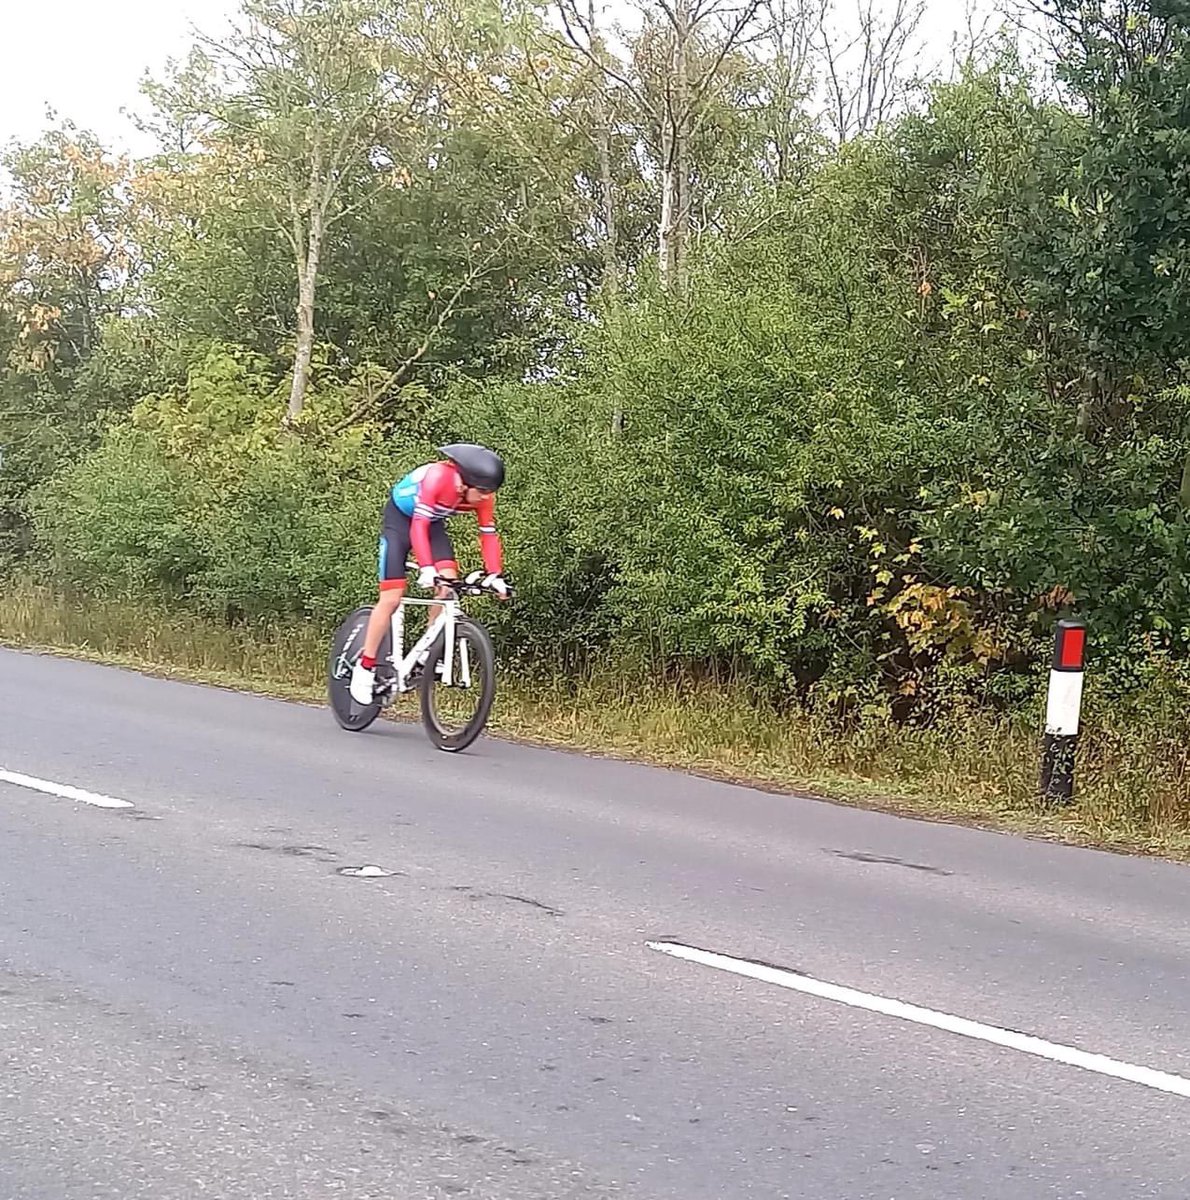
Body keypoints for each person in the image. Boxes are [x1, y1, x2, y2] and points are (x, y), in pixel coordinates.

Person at [350, 443, 509, 704]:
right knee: (392, 597)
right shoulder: (438, 478)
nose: (485, 498)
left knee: (448, 585)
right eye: (481, 491)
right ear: (464, 484)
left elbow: (488, 536)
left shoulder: (483, 495)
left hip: (432, 523)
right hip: (401, 522)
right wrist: (426, 568)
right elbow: (417, 527)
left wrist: (495, 575)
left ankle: (426, 654)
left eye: (490, 492)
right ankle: (365, 667)